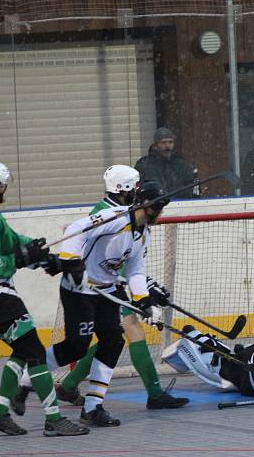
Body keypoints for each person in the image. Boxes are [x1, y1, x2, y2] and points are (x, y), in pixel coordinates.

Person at [42, 165, 188, 411]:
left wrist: (143, 291)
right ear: (127, 189)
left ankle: (69, 385)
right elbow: (98, 253)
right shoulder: (111, 214)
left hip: (110, 286)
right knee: (128, 333)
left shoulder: (130, 216)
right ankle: (153, 393)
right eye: (136, 185)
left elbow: (129, 260)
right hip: (93, 288)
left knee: (112, 339)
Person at [0, 161, 89, 437]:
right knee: (34, 351)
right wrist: (22, 258)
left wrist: (52, 260)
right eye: (3, 183)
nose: (5, 187)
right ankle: (54, 419)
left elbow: (16, 243)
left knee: (23, 351)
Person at [134, 127, 200, 198]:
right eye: (163, 142)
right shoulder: (144, 165)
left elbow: (192, 189)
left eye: (170, 142)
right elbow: (138, 189)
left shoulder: (182, 165)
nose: (167, 146)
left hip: (180, 204)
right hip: (155, 206)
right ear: (155, 145)